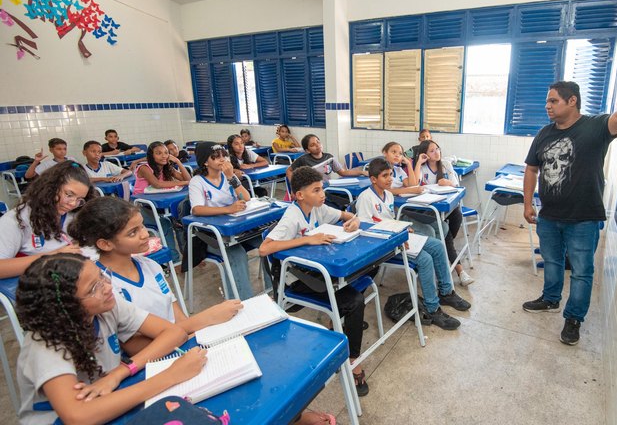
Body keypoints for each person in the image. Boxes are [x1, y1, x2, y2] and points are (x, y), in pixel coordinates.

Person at [522, 80, 617, 345]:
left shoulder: (595, 127)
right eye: (547, 102)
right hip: (549, 215)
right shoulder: (544, 134)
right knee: (552, 260)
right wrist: (528, 204)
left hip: (584, 217)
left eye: (553, 101)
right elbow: (531, 169)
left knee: (582, 271)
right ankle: (550, 298)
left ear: (572, 101)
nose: (547, 106)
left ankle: (573, 319)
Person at [15, 253, 207, 424]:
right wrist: (171, 376)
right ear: (65, 308)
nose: (107, 287)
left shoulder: (107, 306)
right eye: (93, 288)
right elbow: (77, 416)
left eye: (101, 276)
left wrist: (122, 372)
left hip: (111, 401)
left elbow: (174, 333)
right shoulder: (45, 345)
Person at [259, 166, 369, 397]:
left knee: (366, 271)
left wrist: (354, 221)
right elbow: (264, 248)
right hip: (298, 279)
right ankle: (351, 359)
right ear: (300, 195)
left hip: (319, 272)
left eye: (322, 189)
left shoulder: (317, 208)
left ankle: (340, 322)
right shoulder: (292, 216)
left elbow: (346, 215)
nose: (322, 194)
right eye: (316, 190)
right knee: (355, 300)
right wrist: (306, 240)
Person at [68, 196, 243, 335]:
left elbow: (177, 315)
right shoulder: (104, 287)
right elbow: (136, 347)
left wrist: (192, 333)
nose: (145, 234)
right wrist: (205, 319)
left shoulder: (150, 265)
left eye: (142, 226)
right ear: (105, 244)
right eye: (133, 232)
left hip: (182, 338)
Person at [356, 158, 470, 330]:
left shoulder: (387, 194)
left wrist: (401, 228)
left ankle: (446, 293)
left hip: (396, 237)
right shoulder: (365, 198)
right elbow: (366, 229)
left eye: (391, 175)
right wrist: (397, 233)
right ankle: (432, 309)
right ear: (373, 179)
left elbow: (389, 220)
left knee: (438, 246)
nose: (389, 179)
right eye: (385, 176)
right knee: (424, 259)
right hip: (383, 245)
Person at [189, 142, 262, 300]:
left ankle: (274, 291)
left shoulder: (227, 176)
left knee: (266, 241)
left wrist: (231, 177)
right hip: (211, 235)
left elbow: (247, 198)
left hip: (235, 228)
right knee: (236, 254)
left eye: (224, 156)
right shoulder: (197, 181)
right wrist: (228, 209)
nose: (222, 160)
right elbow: (197, 209)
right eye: (216, 157)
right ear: (205, 162)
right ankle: (245, 302)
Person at [0, 160, 96, 278]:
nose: (72, 203)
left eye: (79, 199)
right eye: (69, 195)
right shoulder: (16, 220)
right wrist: (52, 257)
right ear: (50, 188)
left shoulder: (74, 214)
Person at [413, 139, 474, 286]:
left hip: (446, 207)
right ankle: (460, 270)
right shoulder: (422, 168)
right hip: (428, 209)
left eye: (437, 149)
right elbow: (415, 184)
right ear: (424, 154)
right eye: (431, 151)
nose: (436, 153)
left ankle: (444, 247)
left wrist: (448, 183)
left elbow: (456, 186)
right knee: (445, 235)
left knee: (457, 216)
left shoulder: (446, 165)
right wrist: (418, 163)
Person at [134, 141, 191, 263]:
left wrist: (178, 162)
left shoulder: (167, 167)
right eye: (158, 153)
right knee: (165, 223)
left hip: (161, 206)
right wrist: (183, 183)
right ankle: (174, 260)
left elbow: (188, 179)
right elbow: (157, 184)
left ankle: (187, 257)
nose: (164, 156)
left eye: (166, 153)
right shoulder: (144, 168)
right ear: (151, 155)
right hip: (142, 208)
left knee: (179, 220)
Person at [285, 134, 364, 183]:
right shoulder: (303, 160)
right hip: (312, 192)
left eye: (318, 142)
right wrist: (294, 187)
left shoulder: (329, 158)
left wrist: (362, 172)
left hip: (327, 189)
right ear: (307, 150)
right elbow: (289, 170)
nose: (317, 145)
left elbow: (343, 172)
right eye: (312, 145)